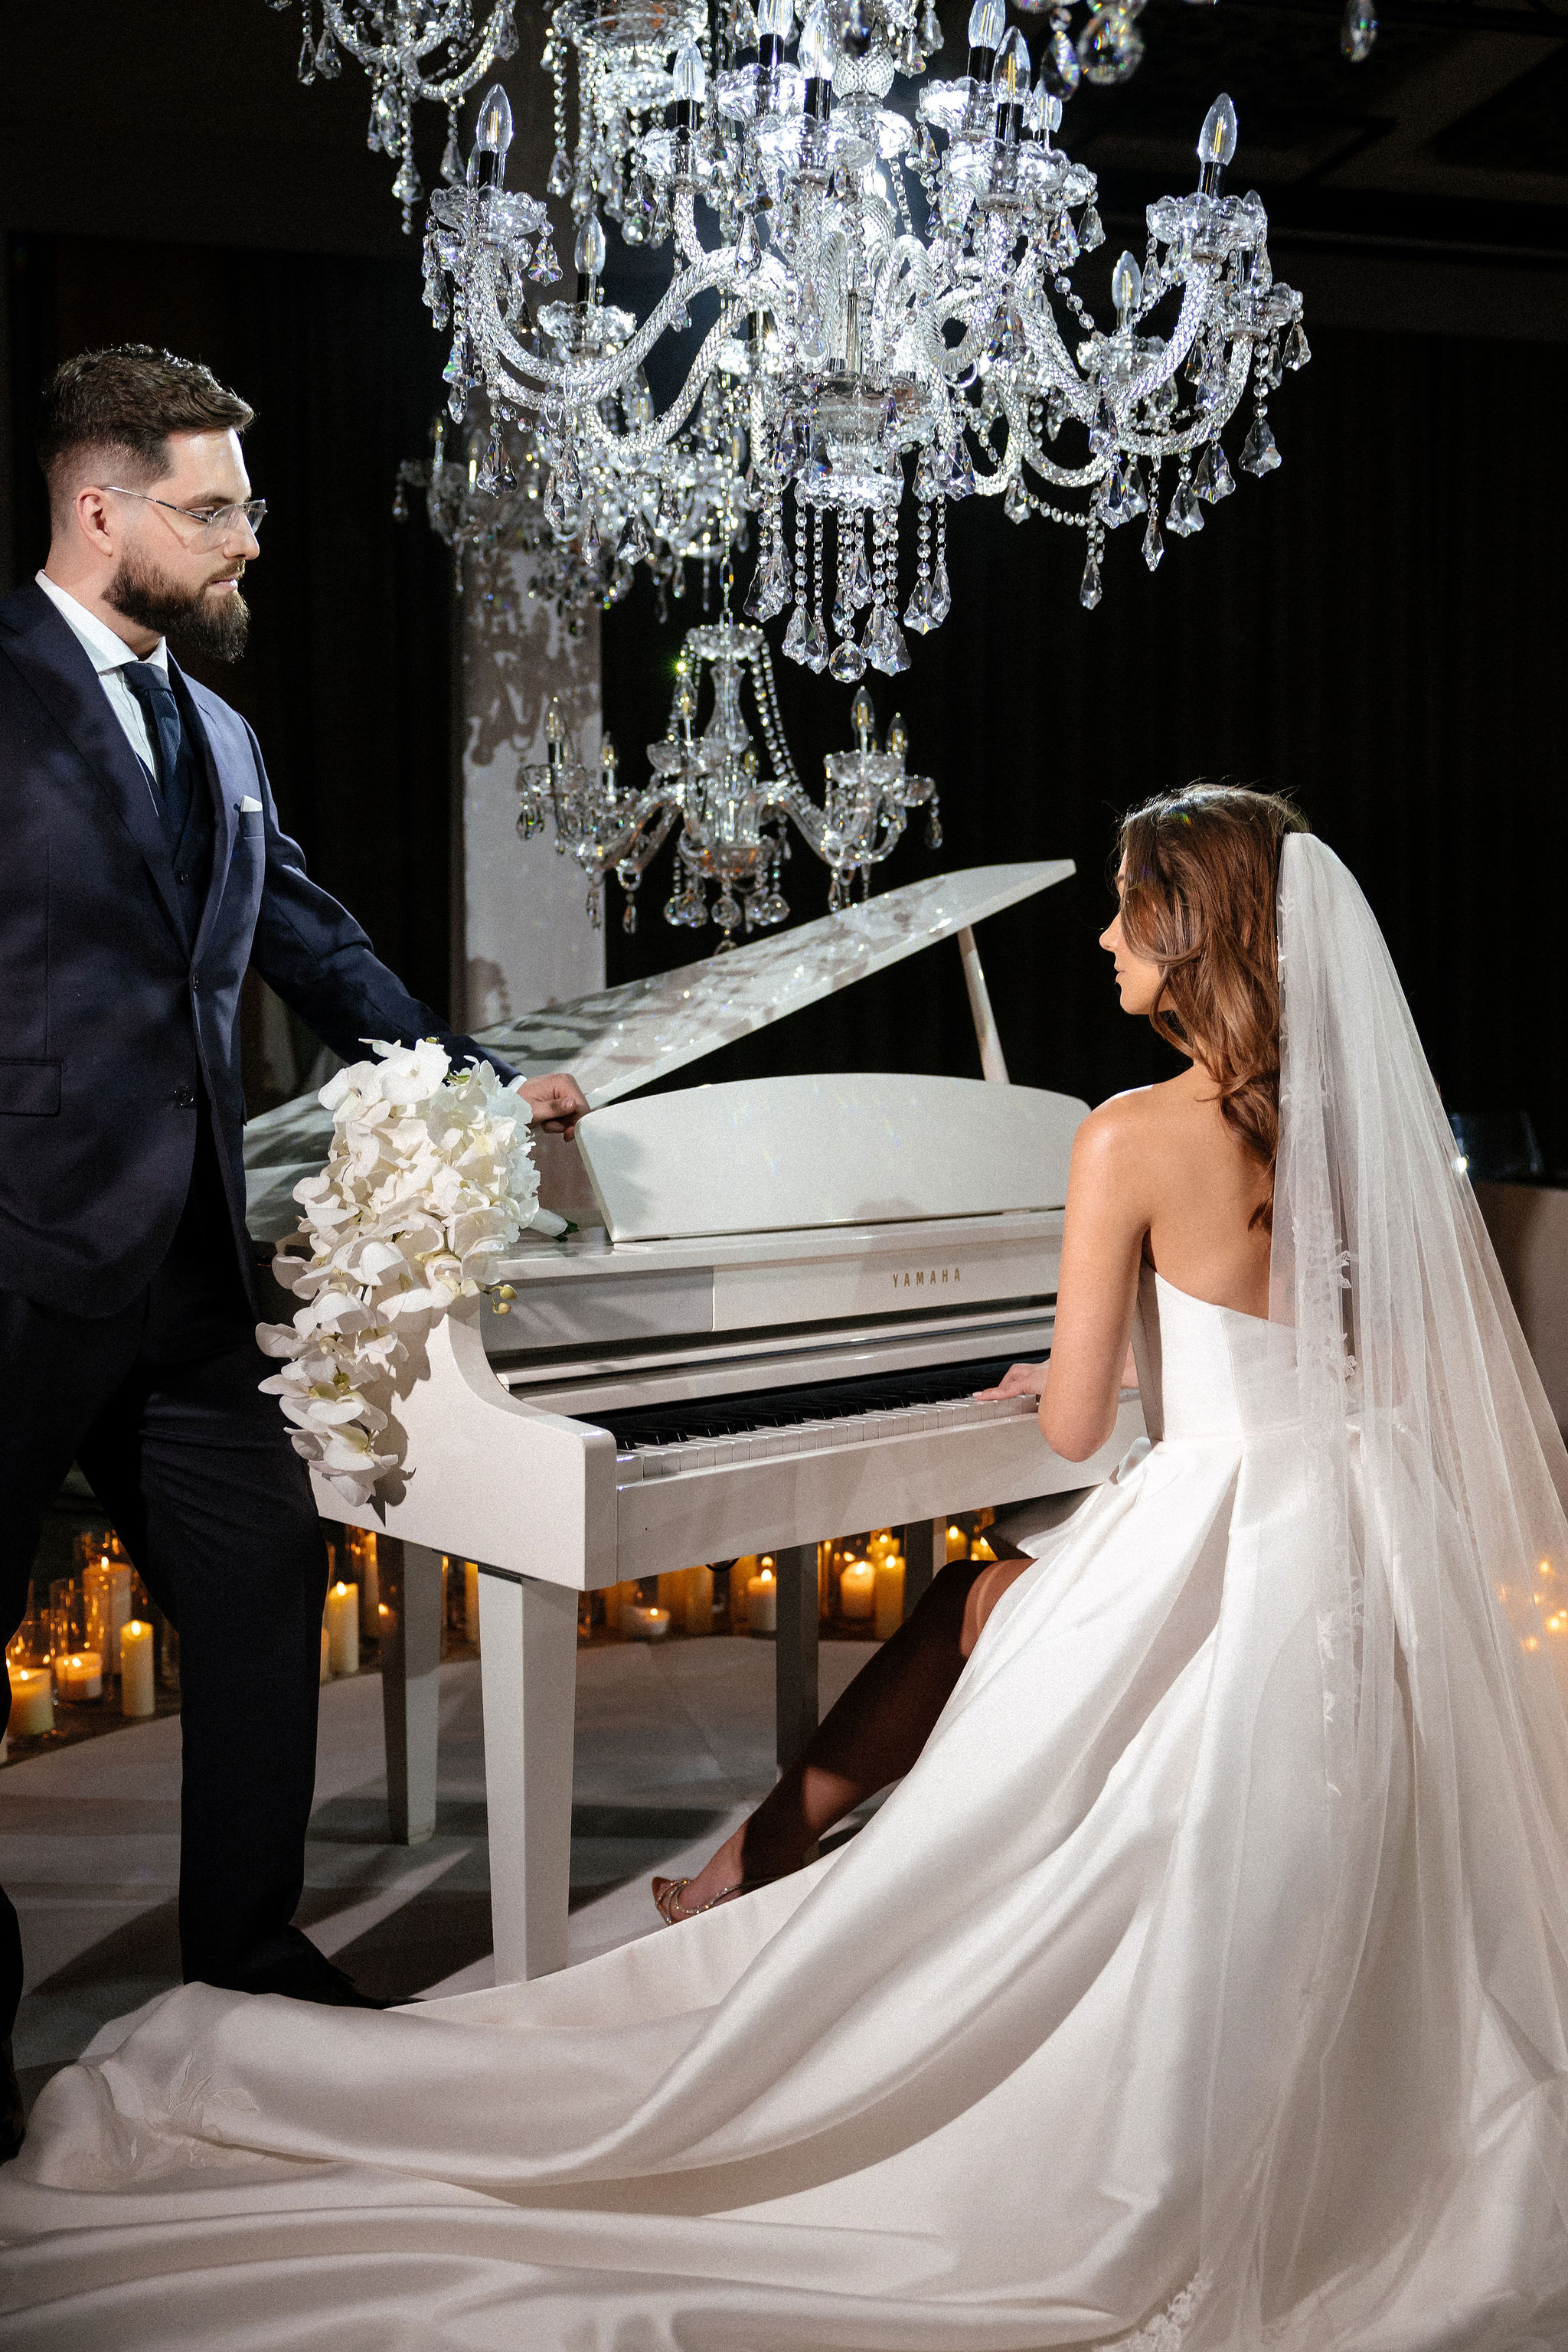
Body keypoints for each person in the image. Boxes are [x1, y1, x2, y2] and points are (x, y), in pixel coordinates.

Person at [3, 786, 1567, 2352]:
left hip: (1215, 1527)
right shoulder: (1345, 1126)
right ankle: (785, 1865)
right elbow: (1326, 1353)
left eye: (1124, 909)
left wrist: (1067, 1374)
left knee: (985, 1611)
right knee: (993, 1613)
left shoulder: (1125, 1135)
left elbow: (1079, 1426)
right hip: (1354, 1530)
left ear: (1189, 931)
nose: (1101, 938)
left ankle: (780, 1878)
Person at [0, 346, 587, 2149]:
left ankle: (245, 1955)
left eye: (246, 507)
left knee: (262, 1592)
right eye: (212, 510)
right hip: (15, 1256)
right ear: (99, 508)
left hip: (186, 1271)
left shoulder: (223, 732)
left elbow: (313, 947)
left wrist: (478, 1081)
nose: (247, 539)